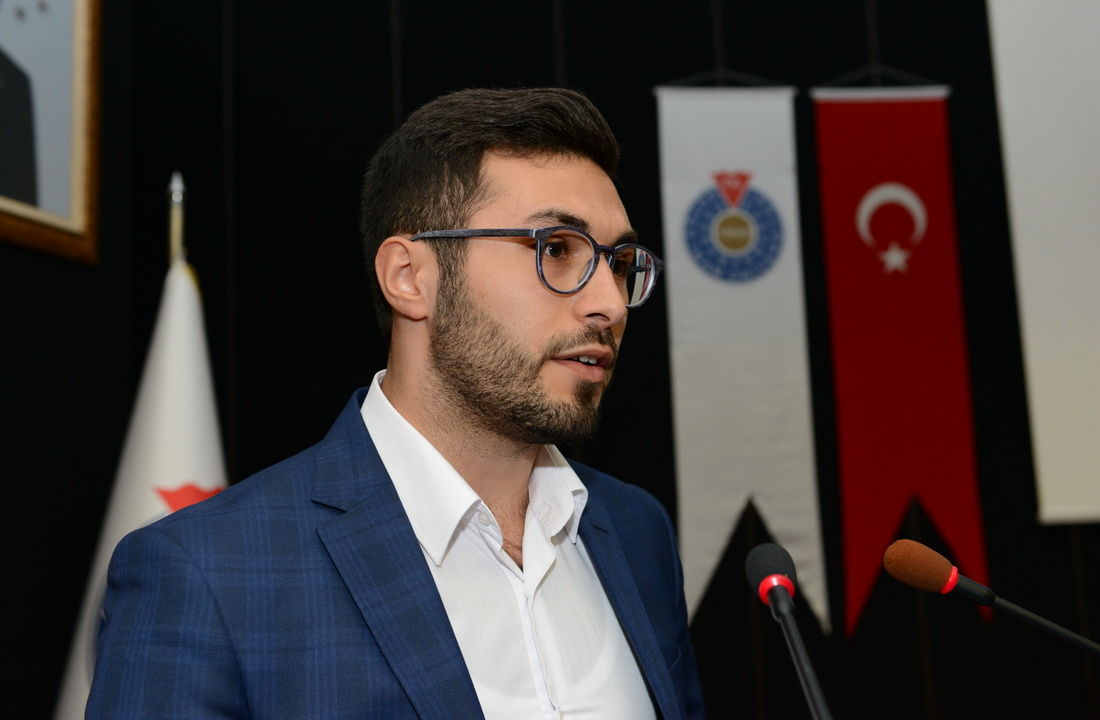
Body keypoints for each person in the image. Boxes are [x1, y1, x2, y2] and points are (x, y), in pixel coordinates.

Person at [88, 87, 704, 719]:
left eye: (619, 262)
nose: (609, 303)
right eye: (556, 248)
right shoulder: (208, 573)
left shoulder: (637, 531)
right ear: (409, 278)